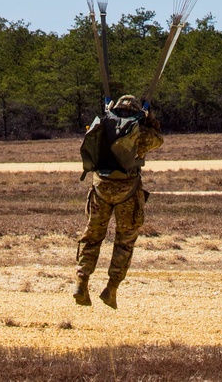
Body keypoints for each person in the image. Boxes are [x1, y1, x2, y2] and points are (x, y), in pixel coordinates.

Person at [74, 93, 164, 309]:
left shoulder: (103, 123)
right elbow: (157, 140)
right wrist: (148, 119)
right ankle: (111, 287)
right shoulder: (139, 130)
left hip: (100, 188)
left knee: (92, 236)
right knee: (124, 241)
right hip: (127, 191)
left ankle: (81, 281)